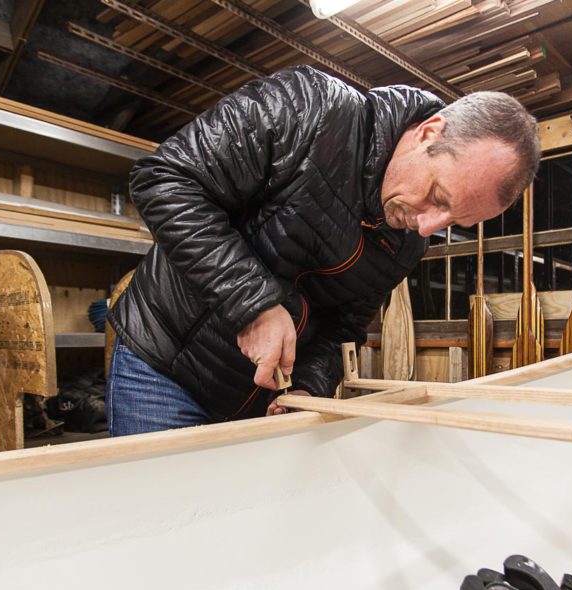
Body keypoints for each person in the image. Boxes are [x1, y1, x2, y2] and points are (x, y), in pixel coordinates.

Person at [106, 64, 540, 436]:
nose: (428, 226)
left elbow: (341, 328)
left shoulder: (407, 240)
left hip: (257, 400)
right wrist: (254, 305)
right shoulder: (309, 108)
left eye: (453, 222)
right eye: (438, 197)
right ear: (428, 133)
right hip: (164, 368)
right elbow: (165, 179)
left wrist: (309, 388)